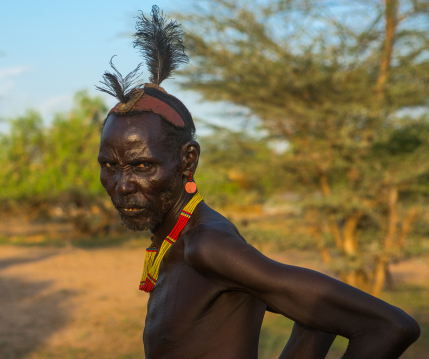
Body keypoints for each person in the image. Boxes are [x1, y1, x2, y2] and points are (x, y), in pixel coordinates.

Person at [96, 6, 420, 358]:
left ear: (188, 160)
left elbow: (391, 326)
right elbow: (316, 321)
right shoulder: (176, 242)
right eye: (110, 165)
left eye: (142, 165)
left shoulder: (206, 246)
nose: (123, 184)